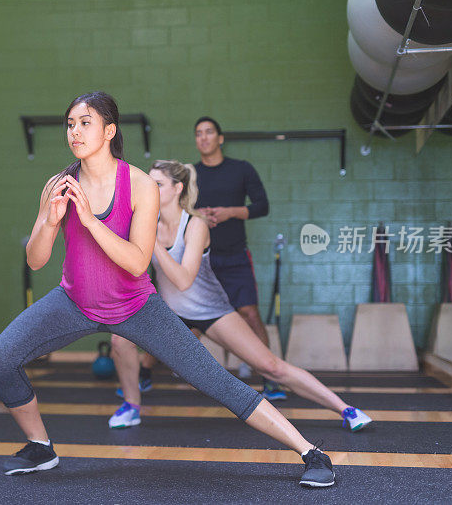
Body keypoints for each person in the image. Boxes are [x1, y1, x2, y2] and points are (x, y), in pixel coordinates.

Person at [0, 91, 336, 487]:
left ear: (109, 130)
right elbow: (35, 260)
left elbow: (137, 261)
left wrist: (89, 220)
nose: (75, 132)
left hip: (136, 307)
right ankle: (40, 448)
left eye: (85, 123)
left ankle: (310, 452)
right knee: (2, 357)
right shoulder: (58, 185)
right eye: (70, 124)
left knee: (214, 380)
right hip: (74, 302)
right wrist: (51, 221)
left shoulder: (139, 184)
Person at [109, 160, 372, 435]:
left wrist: (149, 240)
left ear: (178, 188)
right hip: (169, 311)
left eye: (158, 184)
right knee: (120, 340)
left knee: (271, 367)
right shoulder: (145, 222)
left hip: (210, 309)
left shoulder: (195, 225)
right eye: (148, 183)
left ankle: (345, 409)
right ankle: (131, 405)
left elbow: (184, 280)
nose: (149, 189)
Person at [193, 117, 287, 400]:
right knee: (186, 322)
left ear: (220, 138)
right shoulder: (190, 175)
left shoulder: (241, 169)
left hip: (235, 256)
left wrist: (231, 212)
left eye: (209, 132)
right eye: (198, 134)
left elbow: (262, 206)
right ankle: (146, 373)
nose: (204, 138)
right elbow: (177, 211)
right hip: (200, 260)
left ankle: (271, 379)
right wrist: (198, 217)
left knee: (250, 314)